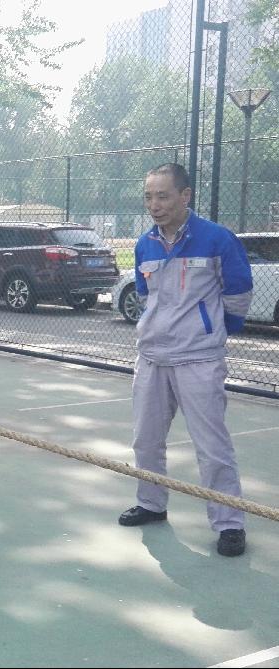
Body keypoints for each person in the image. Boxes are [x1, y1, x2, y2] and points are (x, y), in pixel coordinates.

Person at [118, 163, 253, 558]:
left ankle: (229, 523)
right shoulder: (144, 245)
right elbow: (146, 296)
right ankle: (151, 503)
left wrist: (210, 331)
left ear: (185, 195)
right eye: (148, 197)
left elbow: (238, 294)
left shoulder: (216, 239)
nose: (154, 205)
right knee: (146, 439)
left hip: (198, 359)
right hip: (152, 357)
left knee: (212, 446)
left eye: (162, 196)